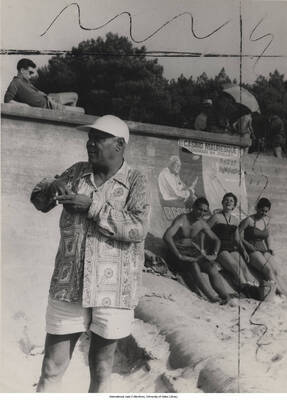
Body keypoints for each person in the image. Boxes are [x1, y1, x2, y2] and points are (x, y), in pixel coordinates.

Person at [30, 115, 151, 392]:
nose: (90, 143)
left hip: (113, 291)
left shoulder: (136, 182)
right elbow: (39, 201)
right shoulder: (76, 173)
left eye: (98, 138)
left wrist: (93, 207)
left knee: (101, 369)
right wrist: (51, 185)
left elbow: (137, 229)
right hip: (68, 286)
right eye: (90, 138)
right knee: (51, 367)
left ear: (119, 145)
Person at [163, 197, 231, 304]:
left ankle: (225, 296)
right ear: (193, 207)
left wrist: (215, 254)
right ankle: (211, 297)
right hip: (176, 252)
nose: (202, 213)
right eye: (200, 209)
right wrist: (179, 255)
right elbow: (167, 236)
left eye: (205, 211)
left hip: (191, 251)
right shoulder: (182, 218)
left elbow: (216, 239)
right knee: (194, 264)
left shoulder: (202, 223)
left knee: (212, 266)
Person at [239, 198, 286, 296]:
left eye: (266, 211)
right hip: (252, 251)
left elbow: (267, 236)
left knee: (276, 270)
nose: (263, 213)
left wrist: (270, 248)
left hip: (263, 250)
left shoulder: (266, 222)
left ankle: (282, 290)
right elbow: (237, 235)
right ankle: (278, 291)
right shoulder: (249, 220)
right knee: (268, 270)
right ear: (257, 208)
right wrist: (248, 245)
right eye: (262, 210)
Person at [4, 58, 85, 113]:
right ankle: (69, 117)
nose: (31, 75)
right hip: (49, 106)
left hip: (51, 97)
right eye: (30, 72)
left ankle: (68, 117)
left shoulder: (26, 82)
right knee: (81, 111)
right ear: (22, 70)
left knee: (75, 96)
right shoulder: (16, 82)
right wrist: (25, 106)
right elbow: (7, 100)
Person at [208, 193, 252, 291]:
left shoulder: (235, 220)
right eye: (226, 200)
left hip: (231, 247)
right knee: (235, 267)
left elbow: (237, 239)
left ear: (234, 205)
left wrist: (244, 251)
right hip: (219, 248)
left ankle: (246, 285)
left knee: (244, 267)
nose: (228, 202)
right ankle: (245, 289)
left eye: (231, 201)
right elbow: (204, 231)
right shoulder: (216, 217)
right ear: (222, 202)